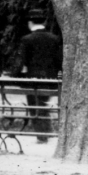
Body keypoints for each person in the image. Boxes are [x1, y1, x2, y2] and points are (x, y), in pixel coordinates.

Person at [19, 8, 62, 144]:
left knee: (34, 106)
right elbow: (59, 60)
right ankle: (46, 132)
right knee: (44, 104)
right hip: (50, 78)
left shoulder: (26, 39)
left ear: (30, 23)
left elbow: (23, 62)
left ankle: (41, 135)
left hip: (32, 78)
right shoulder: (54, 39)